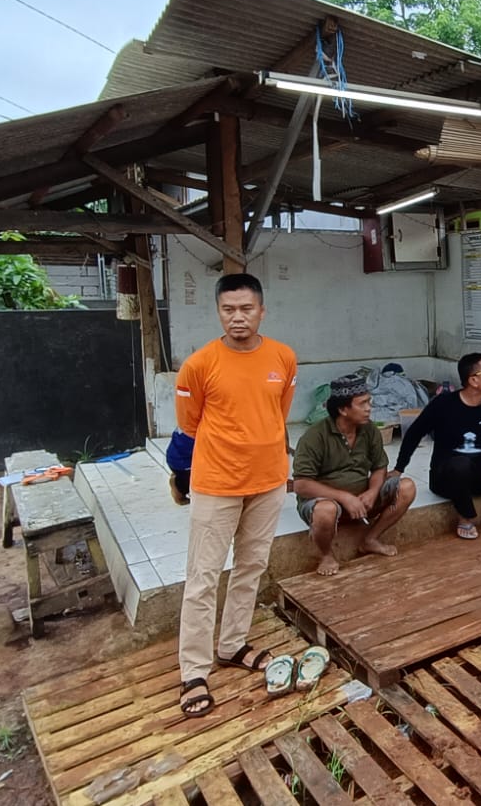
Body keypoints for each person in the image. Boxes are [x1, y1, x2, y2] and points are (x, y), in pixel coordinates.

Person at [173, 273, 298, 717]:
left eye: (246, 309)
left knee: (251, 566)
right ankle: (193, 671)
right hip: (216, 484)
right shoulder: (199, 365)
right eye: (228, 309)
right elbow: (189, 424)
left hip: (268, 481)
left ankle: (232, 645)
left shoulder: (283, 357)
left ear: (262, 311)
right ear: (218, 312)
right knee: (203, 577)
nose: (238, 317)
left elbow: (278, 413)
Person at [390, 353, 481, 540]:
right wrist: (399, 468)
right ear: (473, 380)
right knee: (460, 464)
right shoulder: (443, 404)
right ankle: (465, 517)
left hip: (478, 475)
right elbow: (414, 434)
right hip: (446, 478)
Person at [292, 373, 417, 576]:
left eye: (369, 402)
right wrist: (344, 497)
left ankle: (370, 539)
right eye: (362, 403)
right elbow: (301, 485)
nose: (369, 408)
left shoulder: (369, 430)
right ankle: (326, 555)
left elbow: (379, 467)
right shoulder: (314, 437)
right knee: (325, 511)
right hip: (327, 503)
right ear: (343, 410)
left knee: (407, 487)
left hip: (363, 500)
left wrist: (373, 491)